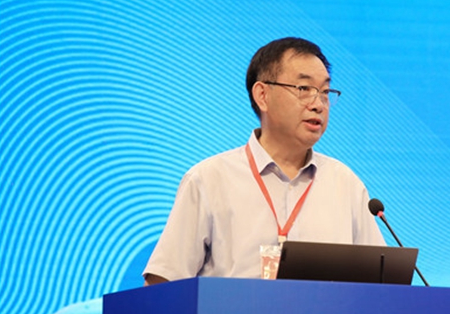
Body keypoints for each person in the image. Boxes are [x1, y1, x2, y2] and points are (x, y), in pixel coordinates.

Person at [143, 37, 385, 285]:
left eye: (324, 92)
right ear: (262, 95)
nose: (318, 105)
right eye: (304, 89)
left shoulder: (345, 184)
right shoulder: (208, 180)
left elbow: (383, 284)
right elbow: (162, 284)